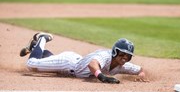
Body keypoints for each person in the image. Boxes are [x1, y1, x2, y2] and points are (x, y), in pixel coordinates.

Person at [20, 32, 149, 84]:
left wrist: (141, 75)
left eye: (128, 55)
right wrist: (102, 77)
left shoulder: (122, 65)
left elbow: (140, 69)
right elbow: (92, 65)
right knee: (32, 65)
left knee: (50, 59)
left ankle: (34, 47)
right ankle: (42, 38)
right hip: (68, 63)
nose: (124, 57)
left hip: (74, 63)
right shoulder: (105, 56)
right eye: (122, 54)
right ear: (115, 52)